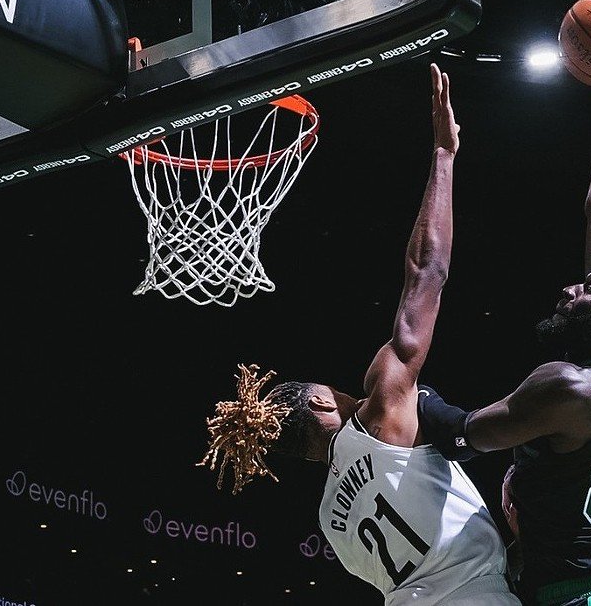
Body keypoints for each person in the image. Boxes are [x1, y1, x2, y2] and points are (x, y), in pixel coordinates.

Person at [195, 63, 520, 606]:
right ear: (321, 402)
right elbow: (427, 271)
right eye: (331, 389)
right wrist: (444, 154)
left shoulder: (331, 523)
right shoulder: (383, 407)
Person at [416, 17, 591, 606]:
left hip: (588, 596)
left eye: (590, 291)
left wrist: (408, 394)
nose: (572, 289)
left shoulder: (571, 388)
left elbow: (462, 435)